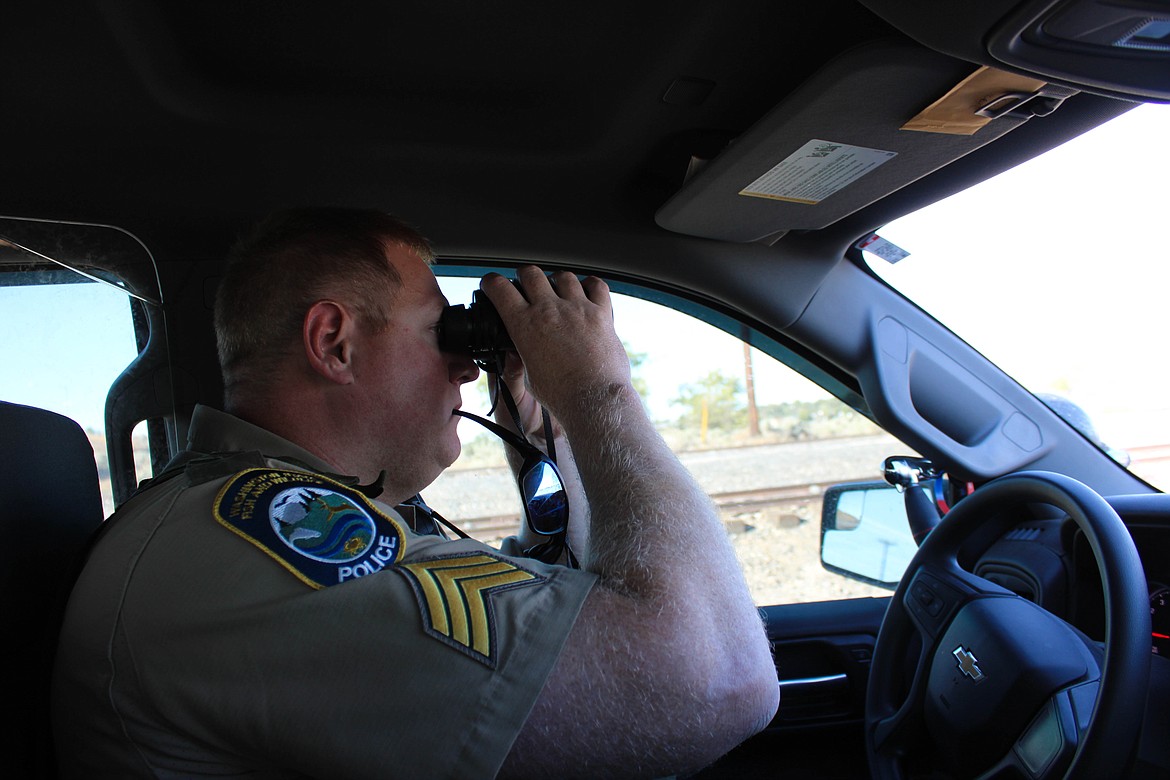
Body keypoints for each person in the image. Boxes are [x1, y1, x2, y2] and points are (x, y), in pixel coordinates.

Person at [52, 207, 779, 778]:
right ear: (334, 341)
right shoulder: (251, 544)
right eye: (441, 331)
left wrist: (544, 428)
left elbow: (563, 608)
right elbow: (714, 677)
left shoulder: (292, 508)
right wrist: (598, 391)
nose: (466, 367)